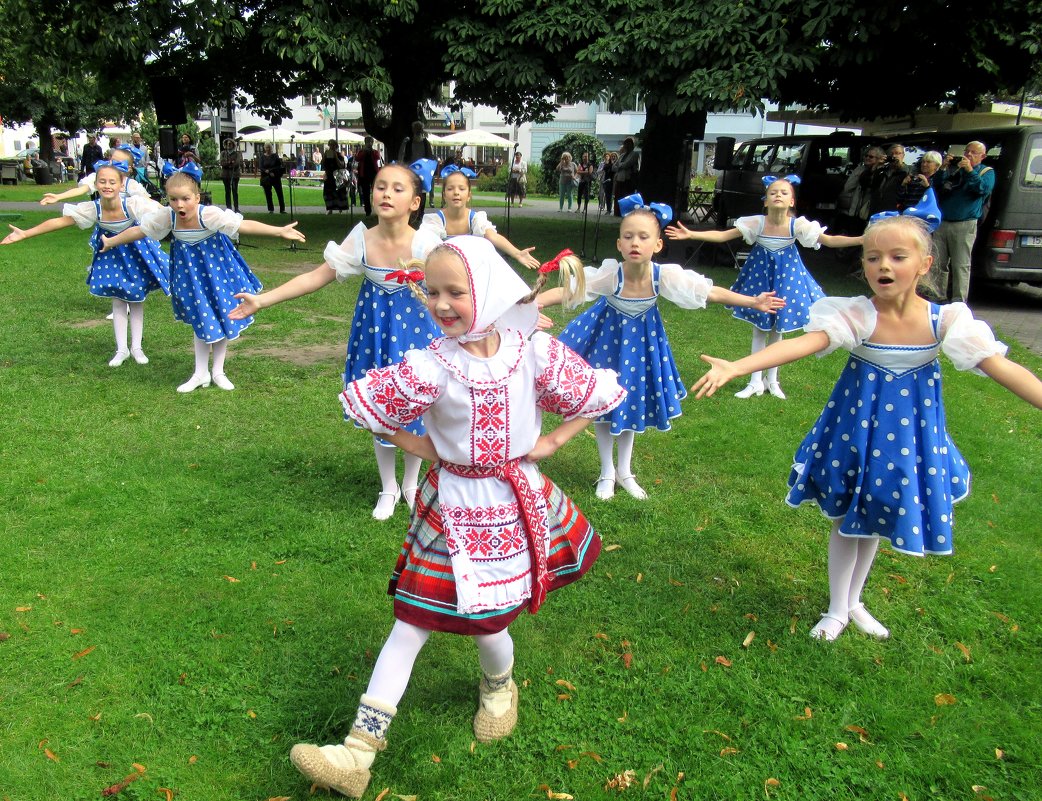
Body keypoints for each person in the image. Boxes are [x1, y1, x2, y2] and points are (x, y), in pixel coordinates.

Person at [289, 235, 625, 799]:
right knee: (410, 621)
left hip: (512, 505)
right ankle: (356, 752)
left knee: (492, 621)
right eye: (432, 292)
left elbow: (595, 394)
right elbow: (366, 406)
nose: (441, 304)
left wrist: (554, 441)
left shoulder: (530, 351)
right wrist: (423, 449)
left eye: (455, 292)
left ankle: (499, 686)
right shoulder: (432, 365)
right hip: (453, 506)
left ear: (487, 291)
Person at [692, 214, 1042, 641]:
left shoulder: (945, 322)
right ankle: (838, 608)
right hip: (854, 433)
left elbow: (1001, 368)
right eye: (874, 257)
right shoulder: (858, 314)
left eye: (898, 256)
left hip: (908, 438)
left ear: (924, 264)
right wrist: (738, 366)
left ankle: (854, 601)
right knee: (845, 515)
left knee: (875, 512)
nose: (884, 266)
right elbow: (806, 343)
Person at [537, 195, 785, 501]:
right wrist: (534, 302)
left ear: (657, 245)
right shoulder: (612, 274)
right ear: (619, 244)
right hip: (605, 343)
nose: (634, 243)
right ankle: (606, 471)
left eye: (643, 237)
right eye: (627, 236)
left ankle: (625, 471)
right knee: (599, 403)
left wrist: (752, 301)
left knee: (629, 403)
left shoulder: (663, 276)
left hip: (641, 346)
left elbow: (708, 292)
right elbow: (572, 289)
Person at [229, 163, 440, 519]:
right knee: (382, 404)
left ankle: (411, 484)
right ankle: (388, 486)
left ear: (415, 202)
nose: (386, 194)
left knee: (417, 402)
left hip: (418, 334)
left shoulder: (426, 243)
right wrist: (261, 300)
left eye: (398, 189)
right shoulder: (361, 239)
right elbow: (316, 276)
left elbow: (458, 283)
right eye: (380, 186)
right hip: (374, 335)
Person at [98, 162, 305, 392]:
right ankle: (200, 373)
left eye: (185, 198)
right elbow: (140, 230)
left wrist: (278, 231)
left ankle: (217, 372)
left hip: (217, 274)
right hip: (189, 276)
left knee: (222, 314)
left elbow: (242, 225)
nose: (179, 204)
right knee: (200, 317)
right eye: (174, 199)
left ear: (197, 197)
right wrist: (111, 241)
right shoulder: (168, 217)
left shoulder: (210, 215)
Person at [666, 176, 862, 400]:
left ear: (792, 202)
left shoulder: (797, 225)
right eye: (773, 192)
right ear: (766, 201)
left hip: (787, 281)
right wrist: (692, 234)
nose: (778, 195)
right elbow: (723, 236)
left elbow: (829, 241)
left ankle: (772, 380)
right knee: (760, 328)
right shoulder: (756, 222)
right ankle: (754, 381)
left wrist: (862, 240)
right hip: (760, 280)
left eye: (784, 193)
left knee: (777, 329)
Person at [2, 160, 169, 366]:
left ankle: (137, 348)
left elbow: (163, 212)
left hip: (135, 252)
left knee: (135, 299)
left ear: (121, 184)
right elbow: (60, 222)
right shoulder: (93, 208)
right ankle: (122, 349)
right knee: (117, 299)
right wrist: (26, 233)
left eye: (112, 182)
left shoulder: (133, 204)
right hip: (109, 255)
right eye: (102, 182)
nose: (107, 186)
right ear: (96, 184)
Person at [420, 165, 540, 270]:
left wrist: (517, 253)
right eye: (450, 189)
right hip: (444, 268)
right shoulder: (436, 221)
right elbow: (424, 244)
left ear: (468, 195)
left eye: (461, 189)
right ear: (444, 195)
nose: (456, 192)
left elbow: (493, 236)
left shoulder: (475, 219)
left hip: (471, 269)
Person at [931, 141, 995, 303]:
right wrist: (943, 168)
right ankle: (938, 296)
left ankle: (959, 301)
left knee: (960, 265)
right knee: (938, 262)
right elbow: (937, 187)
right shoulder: (955, 170)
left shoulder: (986, 172)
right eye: (967, 151)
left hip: (965, 224)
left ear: (983, 156)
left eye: (974, 152)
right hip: (944, 222)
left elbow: (981, 189)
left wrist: (969, 170)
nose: (969, 155)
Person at [40, 146, 149, 206]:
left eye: (118, 163)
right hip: (106, 224)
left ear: (129, 168)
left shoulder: (131, 185)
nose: (112, 164)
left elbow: (147, 203)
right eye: (111, 160)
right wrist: (59, 196)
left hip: (127, 230)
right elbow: (82, 189)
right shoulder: (99, 178)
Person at [833, 146, 885, 241]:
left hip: (870, 212)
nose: (867, 158)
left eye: (871, 157)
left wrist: (875, 169)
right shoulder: (860, 169)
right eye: (866, 156)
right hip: (855, 212)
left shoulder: (882, 172)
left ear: (879, 159)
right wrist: (862, 172)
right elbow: (848, 188)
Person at [867, 143, 909, 215]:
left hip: (893, 212)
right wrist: (877, 165)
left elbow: (906, 190)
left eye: (897, 153)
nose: (894, 156)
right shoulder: (882, 170)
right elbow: (867, 183)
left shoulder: (907, 170)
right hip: (876, 210)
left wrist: (900, 166)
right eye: (891, 154)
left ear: (903, 155)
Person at [612, 138, 640, 216]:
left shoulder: (635, 154)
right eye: (625, 144)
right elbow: (613, 167)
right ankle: (617, 213)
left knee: (627, 197)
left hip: (628, 179)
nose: (626, 146)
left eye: (628, 144)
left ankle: (627, 214)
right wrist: (620, 166)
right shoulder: (622, 156)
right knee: (618, 198)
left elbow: (627, 164)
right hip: (619, 179)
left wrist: (619, 166)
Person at [355, 136, 381, 216]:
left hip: (373, 174)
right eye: (368, 142)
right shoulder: (361, 151)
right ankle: (368, 210)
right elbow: (357, 158)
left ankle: (378, 208)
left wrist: (371, 151)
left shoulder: (374, 151)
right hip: (364, 175)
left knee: (376, 192)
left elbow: (378, 157)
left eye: (371, 142)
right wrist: (364, 151)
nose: (369, 144)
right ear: (365, 143)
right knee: (365, 193)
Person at [321, 139, 349, 214]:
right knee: (328, 193)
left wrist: (335, 156)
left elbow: (342, 165)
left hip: (338, 177)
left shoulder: (339, 155)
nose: (331, 147)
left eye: (333, 145)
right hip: (329, 176)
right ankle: (330, 209)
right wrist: (324, 156)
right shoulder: (326, 154)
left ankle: (340, 208)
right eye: (330, 145)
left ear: (336, 146)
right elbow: (323, 165)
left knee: (339, 193)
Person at [259, 143, 286, 213]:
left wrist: (271, 171)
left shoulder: (275, 156)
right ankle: (271, 209)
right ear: (264, 148)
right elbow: (261, 167)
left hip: (275, 176)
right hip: (266, 177)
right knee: (268, 194)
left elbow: (279, 166)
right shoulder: (262, 157)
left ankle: (282, 209)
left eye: (269, 148)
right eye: (266, 148)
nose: (267, 149)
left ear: (271, 148)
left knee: (279, 193)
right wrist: (266, 171)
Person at [219, 138, 243, 213]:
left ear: (233, 145)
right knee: (227, 191)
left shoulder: (237, 153)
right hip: (225, 175)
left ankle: (236, 208)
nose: (228, 145)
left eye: (230, 144)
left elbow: (237, 163)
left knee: (235, 191)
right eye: (227, 144)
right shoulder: (223, 153)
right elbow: (222, 163)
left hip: (235, 175)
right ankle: (228, 208)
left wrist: (228, 163)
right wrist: (230, 163)